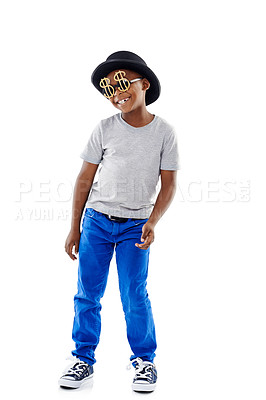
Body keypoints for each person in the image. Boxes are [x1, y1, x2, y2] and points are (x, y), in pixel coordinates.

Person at [58, 50, 180, 392]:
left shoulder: (164, 133)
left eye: (122, 82)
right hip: (97, 222)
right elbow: (84, 179)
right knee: (87, 295)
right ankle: (83, 359)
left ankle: (144, 361)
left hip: (135, 226)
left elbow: (169, 184)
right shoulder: (104, 129)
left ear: (144, 84)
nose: (116, 92)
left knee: (134, 295)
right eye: (108, 88)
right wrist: (74, 226)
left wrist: (153, 221)